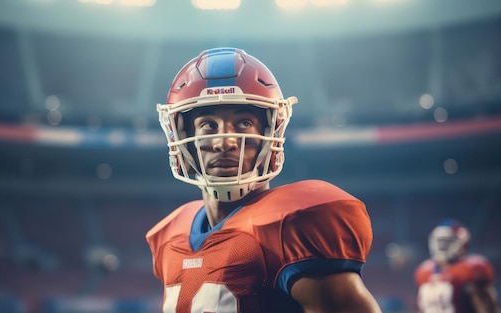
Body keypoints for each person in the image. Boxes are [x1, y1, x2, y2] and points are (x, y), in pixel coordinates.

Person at [145, 47, 381, 313]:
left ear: (272, 131)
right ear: (179, 136)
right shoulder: (171, 236)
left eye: (244, 123)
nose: (225, 141)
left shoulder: (290, 224)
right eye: (208, 125)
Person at [414, 218, 500, 313]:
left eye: (447, 242)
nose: (442, 246)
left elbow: (487, 308)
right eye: (441, 242)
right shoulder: (425, 272)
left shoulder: (470, 269)